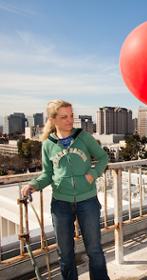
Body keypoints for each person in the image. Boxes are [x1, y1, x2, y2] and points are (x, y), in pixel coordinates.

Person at [21, 100, 110, 280]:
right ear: (53, 119)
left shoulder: (83, 137)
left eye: (71, 116)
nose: (70, 121)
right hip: (61, 204)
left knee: (94, 250)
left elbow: (103, 157)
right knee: (65, 254)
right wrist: (33, 184)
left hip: (88, 201)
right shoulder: (48, 144)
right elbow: (47, 174)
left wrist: (92, 173)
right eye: (64, 117)